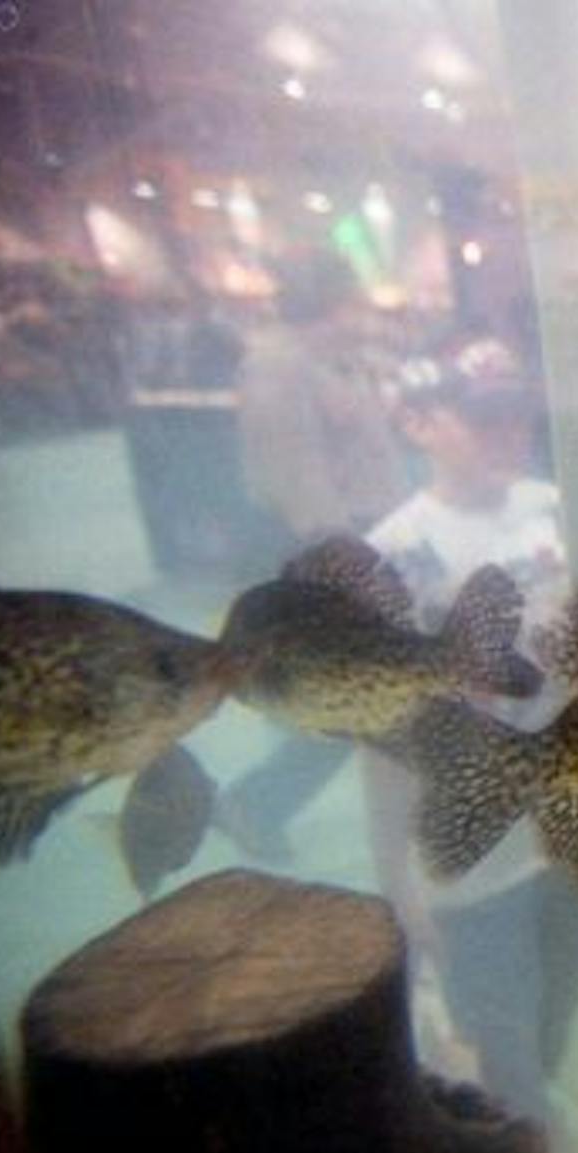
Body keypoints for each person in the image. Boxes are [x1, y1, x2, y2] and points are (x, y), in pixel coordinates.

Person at [359, 339, 578, 1153]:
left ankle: (532, 1123)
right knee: (501, 1036)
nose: (509, 433)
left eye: (517, 415)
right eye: (483, 417)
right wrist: (398, 880)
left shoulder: (554, 511)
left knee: (560, 996)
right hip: (468, 852)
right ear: (424, 423)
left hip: (563, 833)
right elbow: (381, 734)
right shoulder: (394, 555)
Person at [215, 253, 410, 861]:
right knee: (353, 692)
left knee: (365, 690)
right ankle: (256, 802)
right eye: (353, 303)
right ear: (328, 303)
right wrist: (344, 561)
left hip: (358, 537)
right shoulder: (279, 365)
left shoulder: (323, 358)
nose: (363, 315)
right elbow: (294, 474)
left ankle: (261, 800)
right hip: (327, 548)